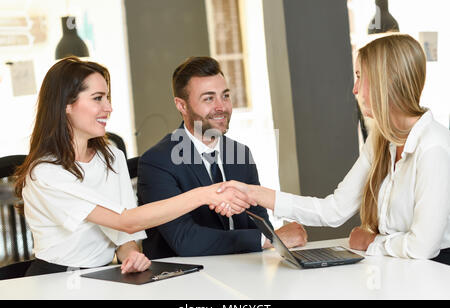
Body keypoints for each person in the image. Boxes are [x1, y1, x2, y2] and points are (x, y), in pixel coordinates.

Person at [216, 34, 450, 264]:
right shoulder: (381, 140)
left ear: (385, 81)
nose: (355, 89)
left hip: (435, 274)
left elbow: (422, 247)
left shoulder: (433, 146)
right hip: (398, 271)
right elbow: (333, 210)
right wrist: (255, 193)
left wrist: (371, 242)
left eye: (360, 77)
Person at [14, 56, 251, 276]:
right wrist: (205, 194)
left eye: (107, 98)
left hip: (103, 275)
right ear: (66, 104)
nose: (109, 107)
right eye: (98, 98)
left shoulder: (111, 157)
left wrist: (131, 255)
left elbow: (124, 234)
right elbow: (126, 220)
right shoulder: (45, 173)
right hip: (56, 279)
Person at [137, 56, 307, 259]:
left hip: (244, 270)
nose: (221, 107)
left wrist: (269, 238)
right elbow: (185, 240)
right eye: (209, 98)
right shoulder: (158, 162)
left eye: (225, 96)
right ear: (181, 106)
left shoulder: (240, 154)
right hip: (186, 281)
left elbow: (260, 221)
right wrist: (268, 240)